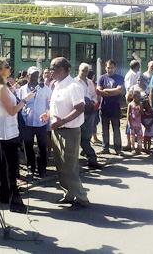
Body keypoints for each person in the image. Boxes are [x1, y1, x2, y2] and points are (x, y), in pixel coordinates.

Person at [0, 58, 35, 213]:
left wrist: (14, 90)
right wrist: (25, 100)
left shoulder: (3, 86)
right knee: (11, 166)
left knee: (6, 166)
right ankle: (14, 199)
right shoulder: (1, 88)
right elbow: (12, 110)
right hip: (6, 132)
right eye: (6, 67)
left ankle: (6, 196)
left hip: (6, 130)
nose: (10, 68)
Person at [47, 57, 90, 207]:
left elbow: (80, 108)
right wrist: (48, 114)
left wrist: (63, 121)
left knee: (70, 166)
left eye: (54, 68)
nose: (51, 71)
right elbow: (57, 106)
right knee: (60, 165)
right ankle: (69, 194)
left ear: (64, 70)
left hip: (69, 131)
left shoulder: (73, 86)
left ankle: (82, 197)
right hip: (57, 130)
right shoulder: (57, 85)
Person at [18, 66, 52, 177]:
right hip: (27, 122)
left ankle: (42, 168)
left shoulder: (45, 89)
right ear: (28, 76)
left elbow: (51, 104)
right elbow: (19, 103)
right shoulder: (22, 89)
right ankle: (30, 168)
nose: (35, 77)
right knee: (28, 146)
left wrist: (47, 114)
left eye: (37, 75)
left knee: (42, 146)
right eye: (32, 75)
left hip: (41, 122)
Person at [75, 63, 102, 169]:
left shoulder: (90, 82)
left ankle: (88, 156)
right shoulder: (74, 82)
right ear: (79, 70)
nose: (84, 73)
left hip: (90, 111)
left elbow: (94, 95)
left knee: (87, 136)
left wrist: (93, 101)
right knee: (79, 138)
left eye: (86, 71)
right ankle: (91, 158)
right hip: (80, 112)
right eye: (83, 71)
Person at [97, 59, 124, 155]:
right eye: (108, 67)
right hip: (104, 108)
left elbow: (119, 90)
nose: (110, 69)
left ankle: (118, 149)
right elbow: (99, 91)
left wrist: (106, 91)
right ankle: (105, 148)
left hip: (115, 107)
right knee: (105, 130)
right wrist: (112, 91)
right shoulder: (101, 78)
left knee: (116, 129)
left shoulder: (119, 78)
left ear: (115, 68)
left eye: (112, 68)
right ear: (105, 68)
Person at [123, 60, 141, 151]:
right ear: (136, 66)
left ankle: (134, 142)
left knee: (136, 121)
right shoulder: (130, 75)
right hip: (131, 99)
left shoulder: (135, 74)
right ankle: (129, 143)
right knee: (130, 122)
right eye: (139, 66)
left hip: (135, 98)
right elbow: (130, 89)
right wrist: (131, 101)